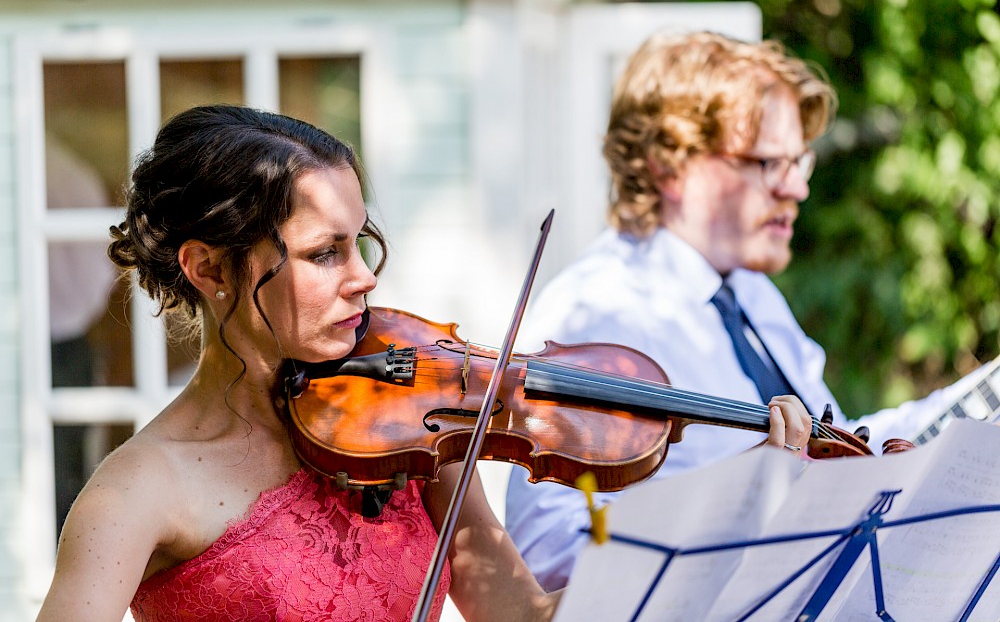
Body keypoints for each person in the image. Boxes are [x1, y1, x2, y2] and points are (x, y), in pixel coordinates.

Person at [36, 104, 811, 621]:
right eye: (323, 253)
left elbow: (519, 614)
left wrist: (731, 522)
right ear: (207, 269)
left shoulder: (408, 420)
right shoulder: (138, 490)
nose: (364, 276)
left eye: (361, 242)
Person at [504, 31, 964, 592]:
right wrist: (733, 502)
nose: (796, 188)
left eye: (800, 162)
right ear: (671, 167)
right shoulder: (596, 314)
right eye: (769, 162)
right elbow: (548, 552)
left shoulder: (747, 289)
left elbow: (846, 445)